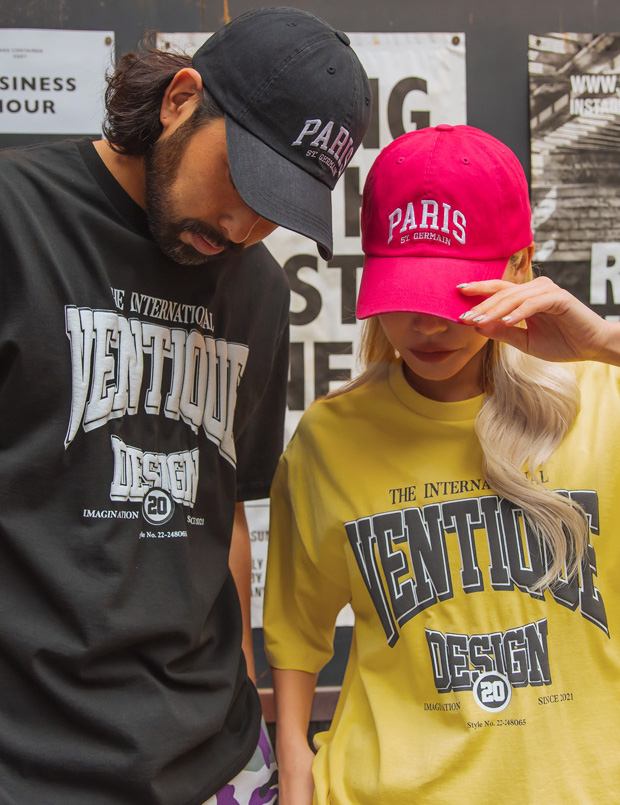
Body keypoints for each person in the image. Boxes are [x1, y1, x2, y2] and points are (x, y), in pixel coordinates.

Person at [0, 8, 371, 805]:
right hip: (29, 761)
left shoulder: (259, 290)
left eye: (277, 207)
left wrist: (251, 722)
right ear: (180, 100)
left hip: (214, 757)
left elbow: (222, 511)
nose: (243, 225)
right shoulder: (16, 218)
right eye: (242, 179)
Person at [264, 124, 620, 804]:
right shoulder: (332, 437)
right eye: (408, 289)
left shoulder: (606, 401)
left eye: (455, 291)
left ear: (521, 264)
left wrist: (605, 342)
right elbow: (295, 630)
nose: (428, 324)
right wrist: (295, 766)